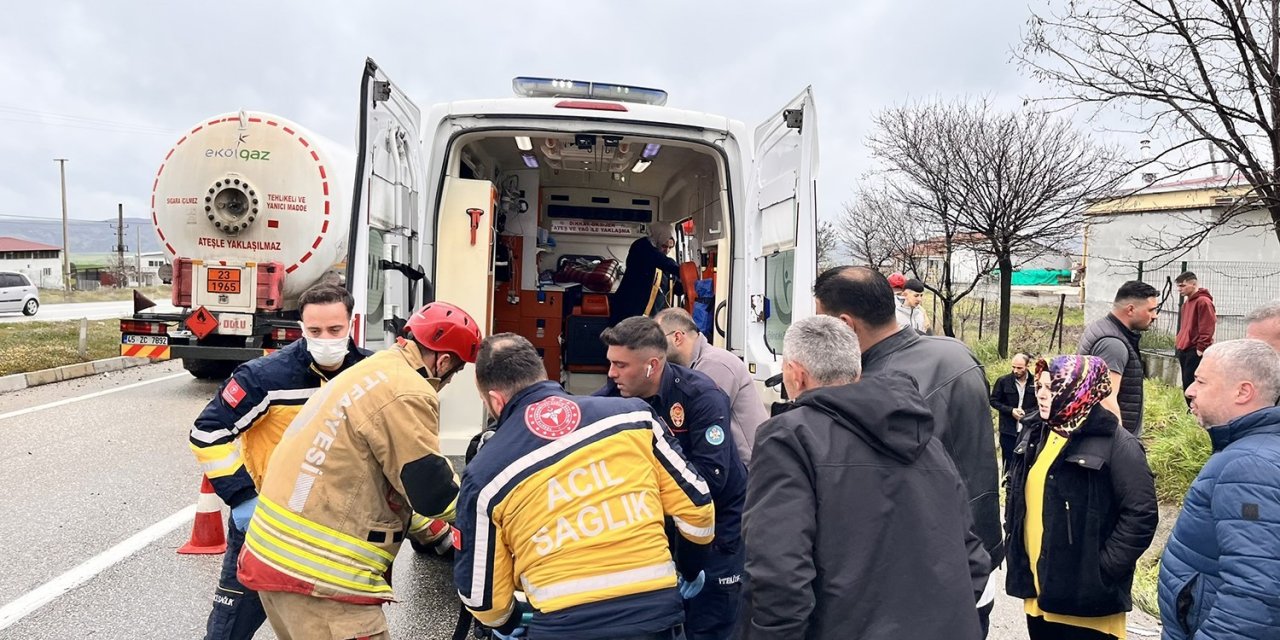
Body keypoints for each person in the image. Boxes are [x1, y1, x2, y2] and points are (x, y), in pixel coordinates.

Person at [236, 301, 482, 640]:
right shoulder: (408, 391)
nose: (447, 381)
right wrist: (489, 512)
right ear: (443, 361)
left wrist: (433, 532)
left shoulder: (374, 368)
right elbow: (431, 491)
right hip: (323, 580)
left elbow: (386, 477)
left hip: (275, 558)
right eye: (452, 374)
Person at [454, 334, 715, 640]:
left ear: (495, 400)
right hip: (654, 619)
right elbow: (698, 508)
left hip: (565, 628)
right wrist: (691, 567)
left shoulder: (485, 474)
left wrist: (508, 624)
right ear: (543, 376)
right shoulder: (634, 418)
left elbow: (481, 597)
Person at [744, 315, 991, 639]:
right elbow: (971, 556)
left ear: (795, 374)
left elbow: (781, 576)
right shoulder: (927, 441)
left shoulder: (788, 439)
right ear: (856, 371)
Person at [813, 265, 1003, 634]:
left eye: (823, 323)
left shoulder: (875, 388)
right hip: (981, 550)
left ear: (847, 325)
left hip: (928, 567)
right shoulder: (956, 355)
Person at [189, 283, 372, 640]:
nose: (326, 339)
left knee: (337, 630)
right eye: (314, 331)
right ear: (301, 328)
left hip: (337, 530)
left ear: (351, 323)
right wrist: (243, 499)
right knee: (229, 631)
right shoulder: (264, 378)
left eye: (335, 330)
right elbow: (207, 432)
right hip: (266, 525)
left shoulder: (367, 375)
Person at [596, 317, 747, 640]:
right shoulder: (611, 397)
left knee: (708, 625)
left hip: (716, 530)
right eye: (610, 363)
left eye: (621, 365)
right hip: (658, 528)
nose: (611, 374)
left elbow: (710, 480)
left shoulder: (700, 396)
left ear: (652, 365)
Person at [1005, 355, 1159, 640]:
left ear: (1078, 389)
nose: (1040, 394)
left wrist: (1100, 570)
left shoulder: (1118, 444)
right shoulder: (1038, 432)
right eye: (1039, 386)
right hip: (1040, 591)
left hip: (1087, 602)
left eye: (1052, 388)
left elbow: (1141, 515)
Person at [1158, 339, 1280, 640]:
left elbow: (1254, 591)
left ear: (1242, 391)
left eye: (1200, 381)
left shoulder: (1248, 468)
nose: (1189, 390)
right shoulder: (1252, 451)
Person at [656, 307, 769, 465]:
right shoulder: (693, 367)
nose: (654, 349)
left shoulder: (715, 365)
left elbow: (696, 423)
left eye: (657, 341)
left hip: (751, 472)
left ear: (677, 338)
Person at [1078, 280, 1161, 436]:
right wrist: (1123, 446)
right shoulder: (1112, 344)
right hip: (1111, 439)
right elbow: (1107, 399)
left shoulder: (1101, 327)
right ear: (1130, 309)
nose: (1155, 316)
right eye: (1151, 310)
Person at [610, 223, 681, 325]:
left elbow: (674, 285)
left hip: (648, 318)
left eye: (671, 247)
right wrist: (682, 270)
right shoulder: (641, 247)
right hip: (628, 310)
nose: (667, 251)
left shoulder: (662, 261)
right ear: (657, 239)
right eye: (664, 246)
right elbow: (662, 261)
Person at [990, 352, 1038, 473]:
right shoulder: (1003, 381)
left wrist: (1026, 413)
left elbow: (1040, 404)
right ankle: (1007, 488)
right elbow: (993, 400)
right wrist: (1010, 411)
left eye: (1019, 368)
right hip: (1008, 430)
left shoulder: (1036, 382)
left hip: (1028, 430)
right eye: (1013, 367)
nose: (1015, 370)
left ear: (1027, 366)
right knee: (1008, 464)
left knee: (1027, 463)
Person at [1174, 271, 1216, 394]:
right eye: (1178, 286)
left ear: (1193, 284)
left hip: (1195, 350)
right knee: (1186, 383)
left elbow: (1208, 326)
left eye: (1182, 286)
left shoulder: (1203, 301)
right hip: (1184, 348)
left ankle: (1196, 410)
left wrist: (1201, 347)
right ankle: (1191, 409)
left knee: (1194, 383)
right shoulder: (1186, 303)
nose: (1179, 289)